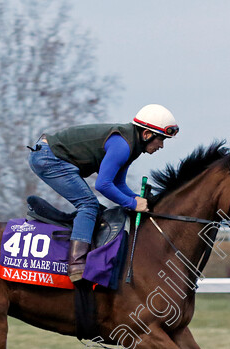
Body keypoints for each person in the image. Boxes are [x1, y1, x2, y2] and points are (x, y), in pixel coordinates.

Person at [27, 104, 179, 282]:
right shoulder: (123, 146)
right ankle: (76, 266)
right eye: (160, 139)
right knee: (89, 205)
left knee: (93, 206)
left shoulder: (132, 145)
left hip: (50, 155)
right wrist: (132, 204)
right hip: (47, 157)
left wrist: (136, 198)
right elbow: (103, 185)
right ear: (146, 134)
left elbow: (118, 183)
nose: (161, 145)